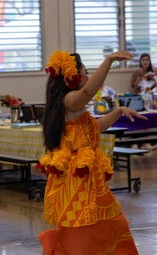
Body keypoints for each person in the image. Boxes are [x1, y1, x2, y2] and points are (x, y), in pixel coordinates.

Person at [37, 49, 146, 254]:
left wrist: (119, 111)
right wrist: (109, 60)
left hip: (89, 179)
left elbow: (95, 128)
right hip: (76, 180)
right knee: (81, 229)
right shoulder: (69, 101)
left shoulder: (74, 107)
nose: (88, 76)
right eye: (85, 71)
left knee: (108, 222)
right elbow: (88, 92)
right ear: (73, 77)